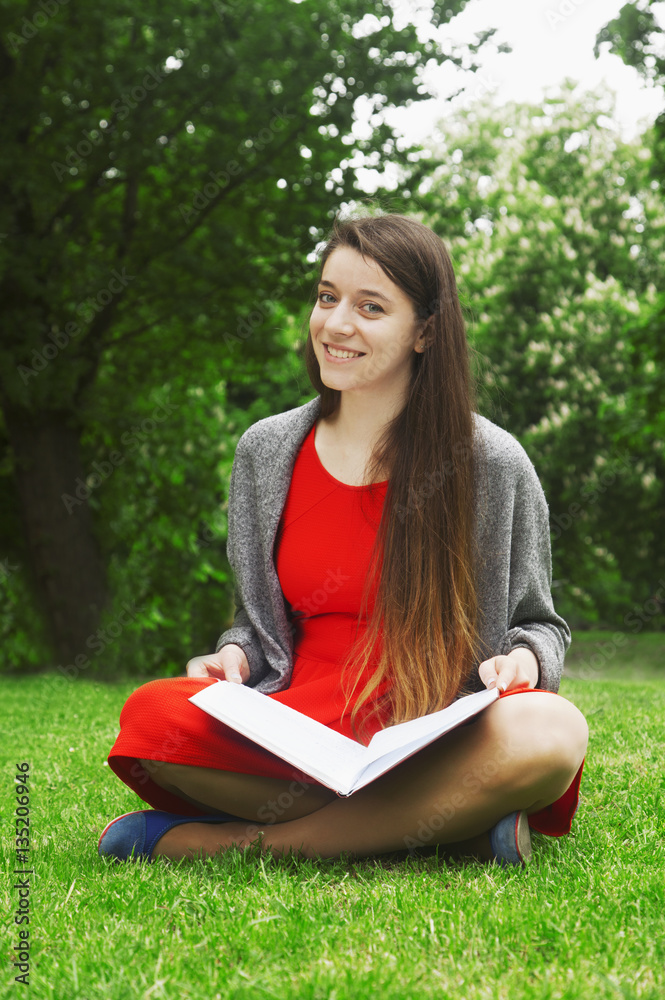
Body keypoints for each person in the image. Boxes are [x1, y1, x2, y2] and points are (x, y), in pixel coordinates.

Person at [99, 213, 588, 867]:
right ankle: (450, 829)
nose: (335, 324)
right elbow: (255, 626)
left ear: (425, 332)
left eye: (370, 307)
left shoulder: (491, 462)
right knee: (150, 715)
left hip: (434, 733)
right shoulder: (266, 452)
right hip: (297, 734)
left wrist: (524, 660)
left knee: (552, 731)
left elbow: (538, 624)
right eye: (327, 297)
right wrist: (234, 660)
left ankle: (243, 845)